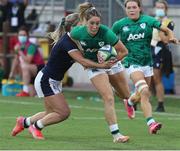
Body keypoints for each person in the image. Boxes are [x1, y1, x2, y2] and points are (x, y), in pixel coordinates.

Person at [11, 13, 115, 140]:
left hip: (52, 80)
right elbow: (83, 61)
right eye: (81, 25)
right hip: (46, 80)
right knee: (64, 113)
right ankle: (36, 127)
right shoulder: (67, 43)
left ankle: (24, 122)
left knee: (50, 113)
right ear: (72, 28)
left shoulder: (77, 42)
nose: (83, 28)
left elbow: (86, 59)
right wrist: (102, 66)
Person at [112, 0, 178, 134]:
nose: (131, 10)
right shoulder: (119, 25)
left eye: (134, 7)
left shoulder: (148, 20)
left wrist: (171, 37)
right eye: (129, 7)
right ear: (125, 10)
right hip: (131, 62)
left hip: (147, 62)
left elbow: (165, 29)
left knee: (141, 95)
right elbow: (108, 39)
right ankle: (151, 123)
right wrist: (110, 52)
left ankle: (130, 102)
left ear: (139, 8)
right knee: (145, 91)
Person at [70, 2, 130, 143]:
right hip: (95, 67)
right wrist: (83, 60)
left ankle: (118, 91)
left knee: (126, 95)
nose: (95, 27)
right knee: (108, 98)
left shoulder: (106, 32)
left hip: (111, 63)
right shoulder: (77, 32)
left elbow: (124, 51)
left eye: (97, 23)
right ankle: (117, 135)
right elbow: (71, 45)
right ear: (85, 21)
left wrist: (112, 62)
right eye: (92, 23)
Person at [151, 0, 175, 112]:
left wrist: (160, 26)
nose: (159, 9)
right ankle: (142, 100)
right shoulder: (151, 20)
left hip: (161, 50)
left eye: (162, 7)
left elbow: (166, 40)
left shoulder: (169, 22)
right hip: (150, 49)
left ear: (165, 9)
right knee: (147, 78)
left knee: (157, 78)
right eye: (158, 7)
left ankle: (161, 104)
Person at [9, 26, 45, 96]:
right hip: (29, 71)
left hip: (39, 69)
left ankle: (25, 91)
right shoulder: (18, 45)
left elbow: (28, 60)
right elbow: (16, 59)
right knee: (32, 95)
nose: (22, 37)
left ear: (27, 36)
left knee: (24, 66)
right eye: (20, 35)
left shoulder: (31, 46)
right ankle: (28, 90)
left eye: (24, 35)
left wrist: (19, 51)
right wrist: (11, 72)